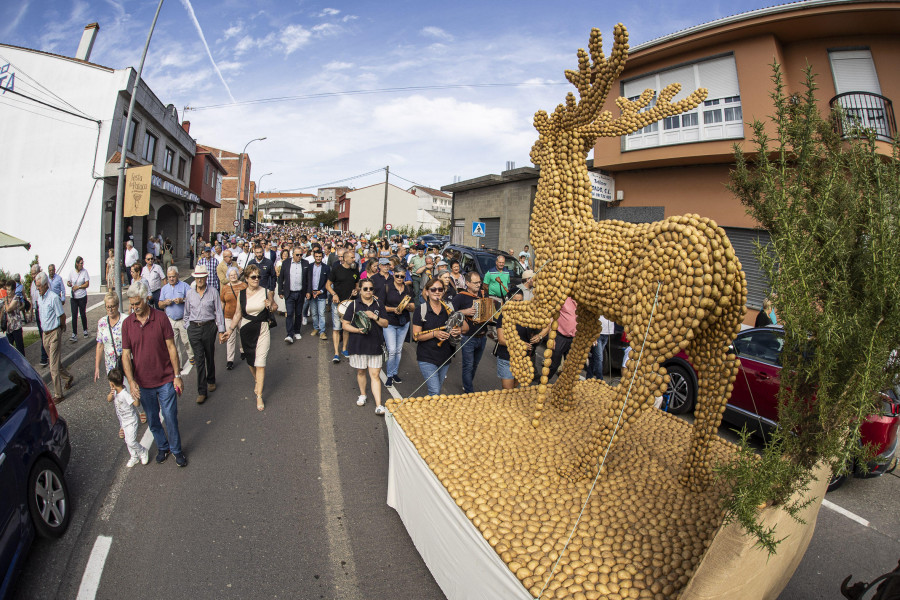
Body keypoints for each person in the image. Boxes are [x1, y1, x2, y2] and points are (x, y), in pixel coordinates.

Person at [121, 281, 187, 467]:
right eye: (132, 305)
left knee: (170, 416)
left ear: (146, 299)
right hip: (143, 382)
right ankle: (162, 446)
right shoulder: (127, 324)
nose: (134, 308)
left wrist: (177, 375)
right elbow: (126, 355)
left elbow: (171, 347)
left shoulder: (160, 318)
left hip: (166, 379)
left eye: (137, 304)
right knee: (152, 419)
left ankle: (176, 449)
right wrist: (131, 382)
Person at [94, 290, 147, 437]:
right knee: (117, 394)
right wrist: (97, 367)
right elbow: (99, 345)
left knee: (130, 387)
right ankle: (123, 423)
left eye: (112, 306)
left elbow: (135, 341)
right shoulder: (102, 323)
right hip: (111, 366)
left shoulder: (126, 320)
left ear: (117, 305)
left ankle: (140, 409)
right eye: (107, 307)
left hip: (125, 361)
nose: (110, 309)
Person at [222, 264, 270, 411]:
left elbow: (274, 307)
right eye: (253, 277)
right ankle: (257, 380)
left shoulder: (266, 291)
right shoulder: (242, 294)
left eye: (258, 277)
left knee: (260, 362)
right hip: (246, 330)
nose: (256, 279)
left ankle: (259, 395)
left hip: (262, 328)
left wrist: (271, 305)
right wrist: (229, 331)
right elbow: (238, 314)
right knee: (251, 361)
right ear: (247, 278)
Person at [342, 280, 389, 415]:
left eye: (371, 288)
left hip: (375, 344)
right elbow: (345, 324)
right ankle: (363, 394)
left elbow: (385, 323)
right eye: (365, 288)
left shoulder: (379, 304)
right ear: (360, 290)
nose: (368, 291)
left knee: (375, 375)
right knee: (361, 372)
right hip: (358, 345)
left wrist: (374, 316)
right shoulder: (354, 304)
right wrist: (357, 330)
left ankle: (379, 405)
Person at [412, 277, 465, 396]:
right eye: (433, 289)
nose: (437, 292)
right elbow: (416, 336)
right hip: (427, 356)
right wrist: (434, 334)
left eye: (440, 289)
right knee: (434, 391)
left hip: (445, 356)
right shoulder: (421, 310)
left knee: (438, 389)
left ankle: (432, 412)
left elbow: (464, 327)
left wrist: (457, 330)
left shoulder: (449, 308)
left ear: (444, 291)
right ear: (426, 292)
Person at [184, 264, 226, 404]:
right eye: (197, 277)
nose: (200, 280)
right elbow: (186, 313)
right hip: (194, 328)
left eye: (202, 277)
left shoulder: (213, 291)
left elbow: (218, 312)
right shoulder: (190, 293)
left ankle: (211, 379)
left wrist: (221, 330)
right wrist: (188, 327)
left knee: (209, 354)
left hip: (209, 327)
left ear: (206, 277)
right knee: (199, 359)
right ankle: (202, 391)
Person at [35, 272, 74, 401]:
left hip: (54, 333)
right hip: (45, 334)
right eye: (37, 286)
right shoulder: (40, 298)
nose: (38, 288)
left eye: (39, 286)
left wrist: (61, 328)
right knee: (55, 363)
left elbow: (62, 316)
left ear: (46, 285)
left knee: (53, 366)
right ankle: (68, 377)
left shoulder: (53, 297)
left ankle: (58, 394)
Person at [452, 271, 489, 394]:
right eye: (475, 282)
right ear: (467, 283)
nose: (479, 285)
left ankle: (467, 385)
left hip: (483, 336)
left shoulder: (484, 294)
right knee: (468, 365)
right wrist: (465, 312)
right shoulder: (460, 297)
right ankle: (468, 391)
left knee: (475, 365)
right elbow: (451, 314)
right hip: (468, 337)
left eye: (479, 282)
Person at [107, 369, 149, 468]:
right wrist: (111, 392)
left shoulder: (124, 394)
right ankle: (134, 457)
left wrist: (136, 395)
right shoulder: (115, 392)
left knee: (131, 441)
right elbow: (109, 399)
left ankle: (143, 451)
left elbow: (136, 404)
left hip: (131, 421)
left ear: (112, 383)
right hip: (124, 421)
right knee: (127, 440)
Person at [494, 289, 535, 389]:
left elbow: (546, 325)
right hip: (506, 358)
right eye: (515, 301)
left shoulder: (527, 315)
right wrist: (520, 344)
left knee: (515, 390)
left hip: (522, 359)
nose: (517, 304)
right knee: (508, 391)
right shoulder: (504, 316)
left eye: (520, 301)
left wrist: (540, 336)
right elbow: (501, 340)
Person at [326, 248, 359, 362]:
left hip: (350, 304)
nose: (354, 259)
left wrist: (356, 290)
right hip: (337, 304)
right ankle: (336, 353)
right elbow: (328, 285)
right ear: (345, 259)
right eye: (352, 257)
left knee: (346, 328)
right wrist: (334, 294)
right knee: (336, 328)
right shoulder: (336, 270)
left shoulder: (355, 270)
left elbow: (357, 284)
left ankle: (344, 349)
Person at [383, 267, 414, 387]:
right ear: (393, 275)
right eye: (397, 276)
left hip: (403, 322)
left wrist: (407, 307)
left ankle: (395, 373)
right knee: (392, 350)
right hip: (389, 322)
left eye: (402, 276)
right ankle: (389, 375)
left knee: (398, 350)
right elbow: (381, 306)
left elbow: (412, 307)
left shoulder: (407, 288)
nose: (400, 278)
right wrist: (393, 309)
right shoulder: (387, 287)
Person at [158, 266, 194, 366]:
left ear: (177, 275)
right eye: (169, 277)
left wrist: (182, 300)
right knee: (173, 343)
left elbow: (192, 299)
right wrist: (165, 303)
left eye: (173, 276)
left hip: (183, 319)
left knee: (186, 341)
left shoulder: (184, 286)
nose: (171, 279)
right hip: (170, 320)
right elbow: (160, 304)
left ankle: (191, 356)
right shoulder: (164, 289)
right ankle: (178, 364)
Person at [277, 246, 308, 344]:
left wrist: (308, 291)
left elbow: (308, 279)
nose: (299, 257)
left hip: (300, 292)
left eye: (301, 255)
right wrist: (280, 291)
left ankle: (297, 331)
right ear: (293, 254)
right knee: (290, 313)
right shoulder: (286, 263)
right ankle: (289, 334)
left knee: (298, 313)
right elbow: (281, 278)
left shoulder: (305, 263)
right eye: (297, 255)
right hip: (289, 293)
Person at [546, 297, 577, 381]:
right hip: (560, 337)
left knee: (571, 366)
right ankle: (542, 383)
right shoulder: (564, 299)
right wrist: (551, 337)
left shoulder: (582, 303)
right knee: (554, 364)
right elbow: (551, 315)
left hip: (573, 338)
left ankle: (564, 389)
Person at [220, 266, 246, 370]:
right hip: (229, 316)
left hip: (241, 315)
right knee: (230, 338)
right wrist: (220, 314)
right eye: (231, 275)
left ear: (238, 275)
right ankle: (230, 360)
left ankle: (243, 351)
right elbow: (222, 301)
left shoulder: (244, 285)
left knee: (242, 334)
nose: (233, 276)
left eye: (235, 274)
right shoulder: (225, 287)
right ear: (228, 277)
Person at [305, 249, 331, 340]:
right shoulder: (310, 266)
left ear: (322, 257)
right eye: (316, 256)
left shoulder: (326, 268)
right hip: (312, 294)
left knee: (321, 313)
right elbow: (307, 280)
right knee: (314, 313)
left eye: (320, 256)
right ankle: (316, 328)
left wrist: (321, 291)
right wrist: (309, 291)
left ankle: (322, 331)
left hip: (321, 294)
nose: (318, 258)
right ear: (314, 256)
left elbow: (328, 282)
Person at [66, 256, 90, 342]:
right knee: (74, 315)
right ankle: (74, 333)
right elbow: (68, 282)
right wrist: (69, 284)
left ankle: (85, 330)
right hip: (74, 297)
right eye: (81, 263)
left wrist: (79, 287)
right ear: (77, 264)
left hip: (82, 296)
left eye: (83, 263)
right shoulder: (72, 272)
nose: (82, 265)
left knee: (82, 313)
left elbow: (87, 284)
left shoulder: (84, 272)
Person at [30, 264, 49, 366]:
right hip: (37, 309)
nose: (33, 276)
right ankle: (46, 353)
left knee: (44, 332)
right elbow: (32, 297)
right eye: (32, 274)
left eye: (34, 273)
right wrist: (32, 311)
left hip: (43, 309)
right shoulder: (33, 284)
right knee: (41, 333)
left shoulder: (43, 282)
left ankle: (44, 357)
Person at [586, 315, 616, 380]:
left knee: (595, 357)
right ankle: (600, 379)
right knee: (599, 358)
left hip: (606, 334)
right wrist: (593, 334)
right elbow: (593, 315)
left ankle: (589, 376)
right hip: (598, 334)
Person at [2, 280, 25, 354]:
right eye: (7, 289)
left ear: (14, 290)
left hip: (16, 327)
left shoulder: (16, 298)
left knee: (20, 348)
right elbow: (3, 311)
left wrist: (5, 301)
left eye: (9, 290)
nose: (8, 292)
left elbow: (8, 309)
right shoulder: (6, 300)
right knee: (9, 348)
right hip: (9, 327)